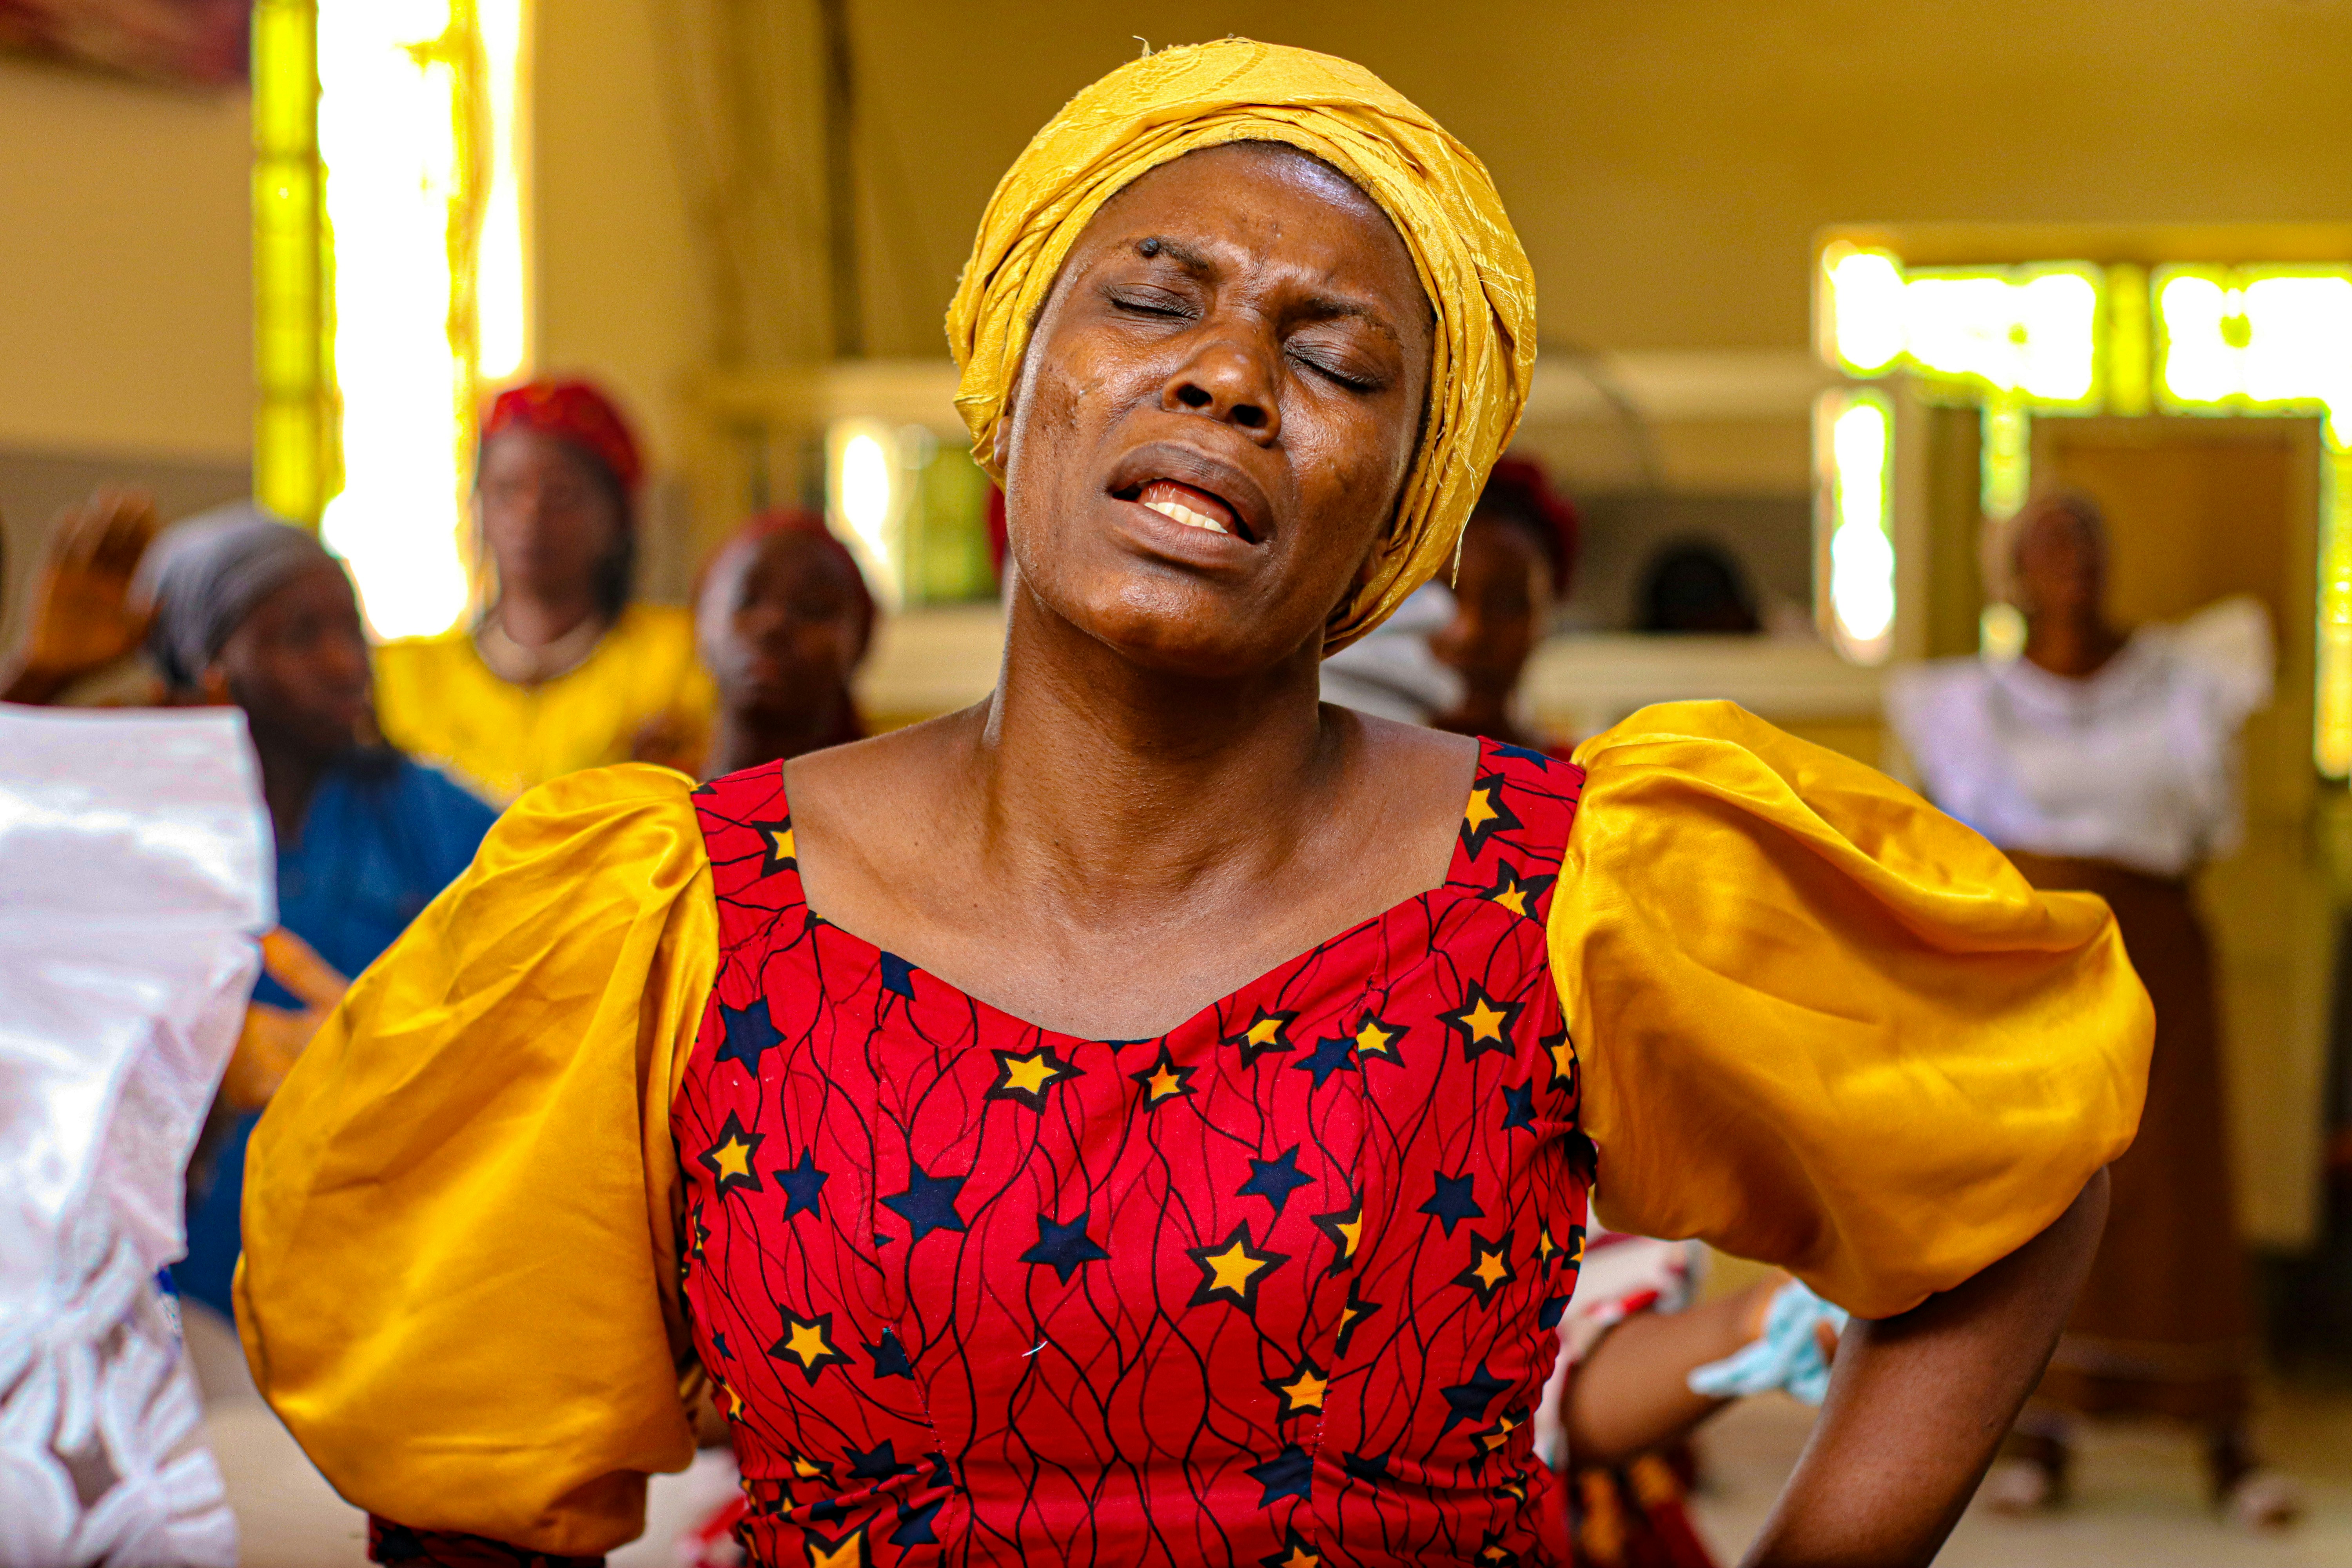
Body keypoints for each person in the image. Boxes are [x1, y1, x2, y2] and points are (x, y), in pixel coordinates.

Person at [239, 40, 2146, 1568]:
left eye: (1334, 360)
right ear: (1016, 383)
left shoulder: (1582, 888)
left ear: (1398, 506)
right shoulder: (669, 912)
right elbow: (461, 1471)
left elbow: (2016, 1159)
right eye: (1154, 299)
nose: (1231, 373)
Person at [1887, 490, 2296, 1527]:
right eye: (2045, 542)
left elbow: (2210, 829)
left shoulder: (2188, 685)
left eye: (2088, 536)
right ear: (2009, 576)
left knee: (2178, 1191)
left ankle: (2224, 1434)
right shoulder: (1958, 705)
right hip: (2025, 971)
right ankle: (2038, 1431)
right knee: (2040, 1187)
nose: (2071, 557)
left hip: (2155, 953)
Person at [133, 505, 496, 1317]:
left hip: (387, 1281)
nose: (343, 663)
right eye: (299, 636)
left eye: (350, 630)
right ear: (208, 660)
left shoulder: (424, 811)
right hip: (179, 1287)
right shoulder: (142, 828)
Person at [374, 378, 715, 804]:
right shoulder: (403, 680)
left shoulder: (682, 660)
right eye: (507, 490)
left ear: (617, 514)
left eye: (562, 494)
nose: (530, 514)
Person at [695, 509, 875, 779]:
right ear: (700, 619)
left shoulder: (898, 812)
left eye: (812, 608)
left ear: (860, 640)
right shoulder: (652, 810)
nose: (774, 624)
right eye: (747, 599)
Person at [1430, 456, 1577, 748]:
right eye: (1441, 597)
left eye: (1508, 605)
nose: (1471, 633)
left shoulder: (1588, 788)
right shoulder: (1342, 779)